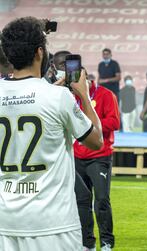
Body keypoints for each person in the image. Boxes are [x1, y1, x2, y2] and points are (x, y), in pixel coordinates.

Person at [0, 16, 103, 250]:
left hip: (5, 221)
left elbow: (27, 99)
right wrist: (84, 94)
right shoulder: (59, 98)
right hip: (53, 225)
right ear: (39, 53)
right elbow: (96, 140)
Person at [53, 50, 120, 250]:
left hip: (100, 156)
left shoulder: (106, 95)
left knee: (101, 200)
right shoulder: (68, 97)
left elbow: (114, 122)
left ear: (85, 77)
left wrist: (87, 124)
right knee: (81, 201)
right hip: (77, 157)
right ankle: (87, 243)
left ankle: (107, 242)